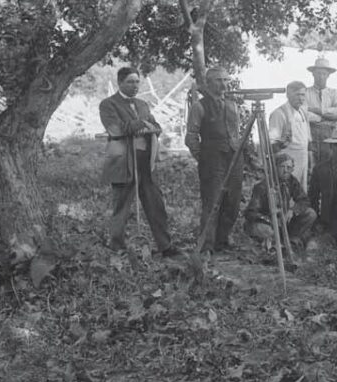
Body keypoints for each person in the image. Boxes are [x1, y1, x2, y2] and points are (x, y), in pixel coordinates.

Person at [99, 66, 178, 257]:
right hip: (123, 162)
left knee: (155, 204)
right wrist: (141, 125)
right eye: (130, 82)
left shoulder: (143, 104)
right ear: (120, 83)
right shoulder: (108, 104)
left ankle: (165, 246)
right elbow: (115, 130)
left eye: (137, 82)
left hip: (145, 162)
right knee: (122, 207)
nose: (134, 86)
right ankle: (117, 248)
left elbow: (156, 126)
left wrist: (150, 126)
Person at [185, 66, 243, 253]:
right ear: (209, 83)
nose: (223, 84)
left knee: (232, 201)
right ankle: (207, 244)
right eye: (218, 80)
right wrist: (202, 157)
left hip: (233, 158)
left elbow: (236, 133)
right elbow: (191, 136)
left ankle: (223, 240)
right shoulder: (199, 106)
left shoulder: (233, 105)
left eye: (226, 80)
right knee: (212, 201)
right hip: (212, 159)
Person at [243, 152, 317, 249]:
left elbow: (304, 200)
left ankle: (291, 239)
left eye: (289, 168)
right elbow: (250, 212)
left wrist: (293, 210)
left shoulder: (291, 181)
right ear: (275, 168)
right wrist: (270, 220)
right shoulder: (263, 186)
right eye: (282, 167)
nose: (286, 171)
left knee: (311, 214)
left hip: (284, 222)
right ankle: (275, 243)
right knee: (266, 231)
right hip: (266, 223)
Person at [268, 80, 312, 191]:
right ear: (288, 95)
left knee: (301, 190)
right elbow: (272, 143)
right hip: (287, 161)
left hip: (303, 159)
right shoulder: (279, 113)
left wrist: (310, 160)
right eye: (297, 94)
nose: (300, 98)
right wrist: (281, 166)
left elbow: (308, 140)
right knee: (287, 190)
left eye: (303, 95)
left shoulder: (303, 112)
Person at [306, 57, 337, 167]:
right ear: (313, 74)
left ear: (328, 75)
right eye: (318, 73)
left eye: (324, 73)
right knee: (311, 163)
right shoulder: (305, 92)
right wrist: (324, 118)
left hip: (329, 132)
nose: (321, 76)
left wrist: (317, 110)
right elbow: (304, 113)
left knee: (329, 163)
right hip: (310, 132)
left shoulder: (334, 93)